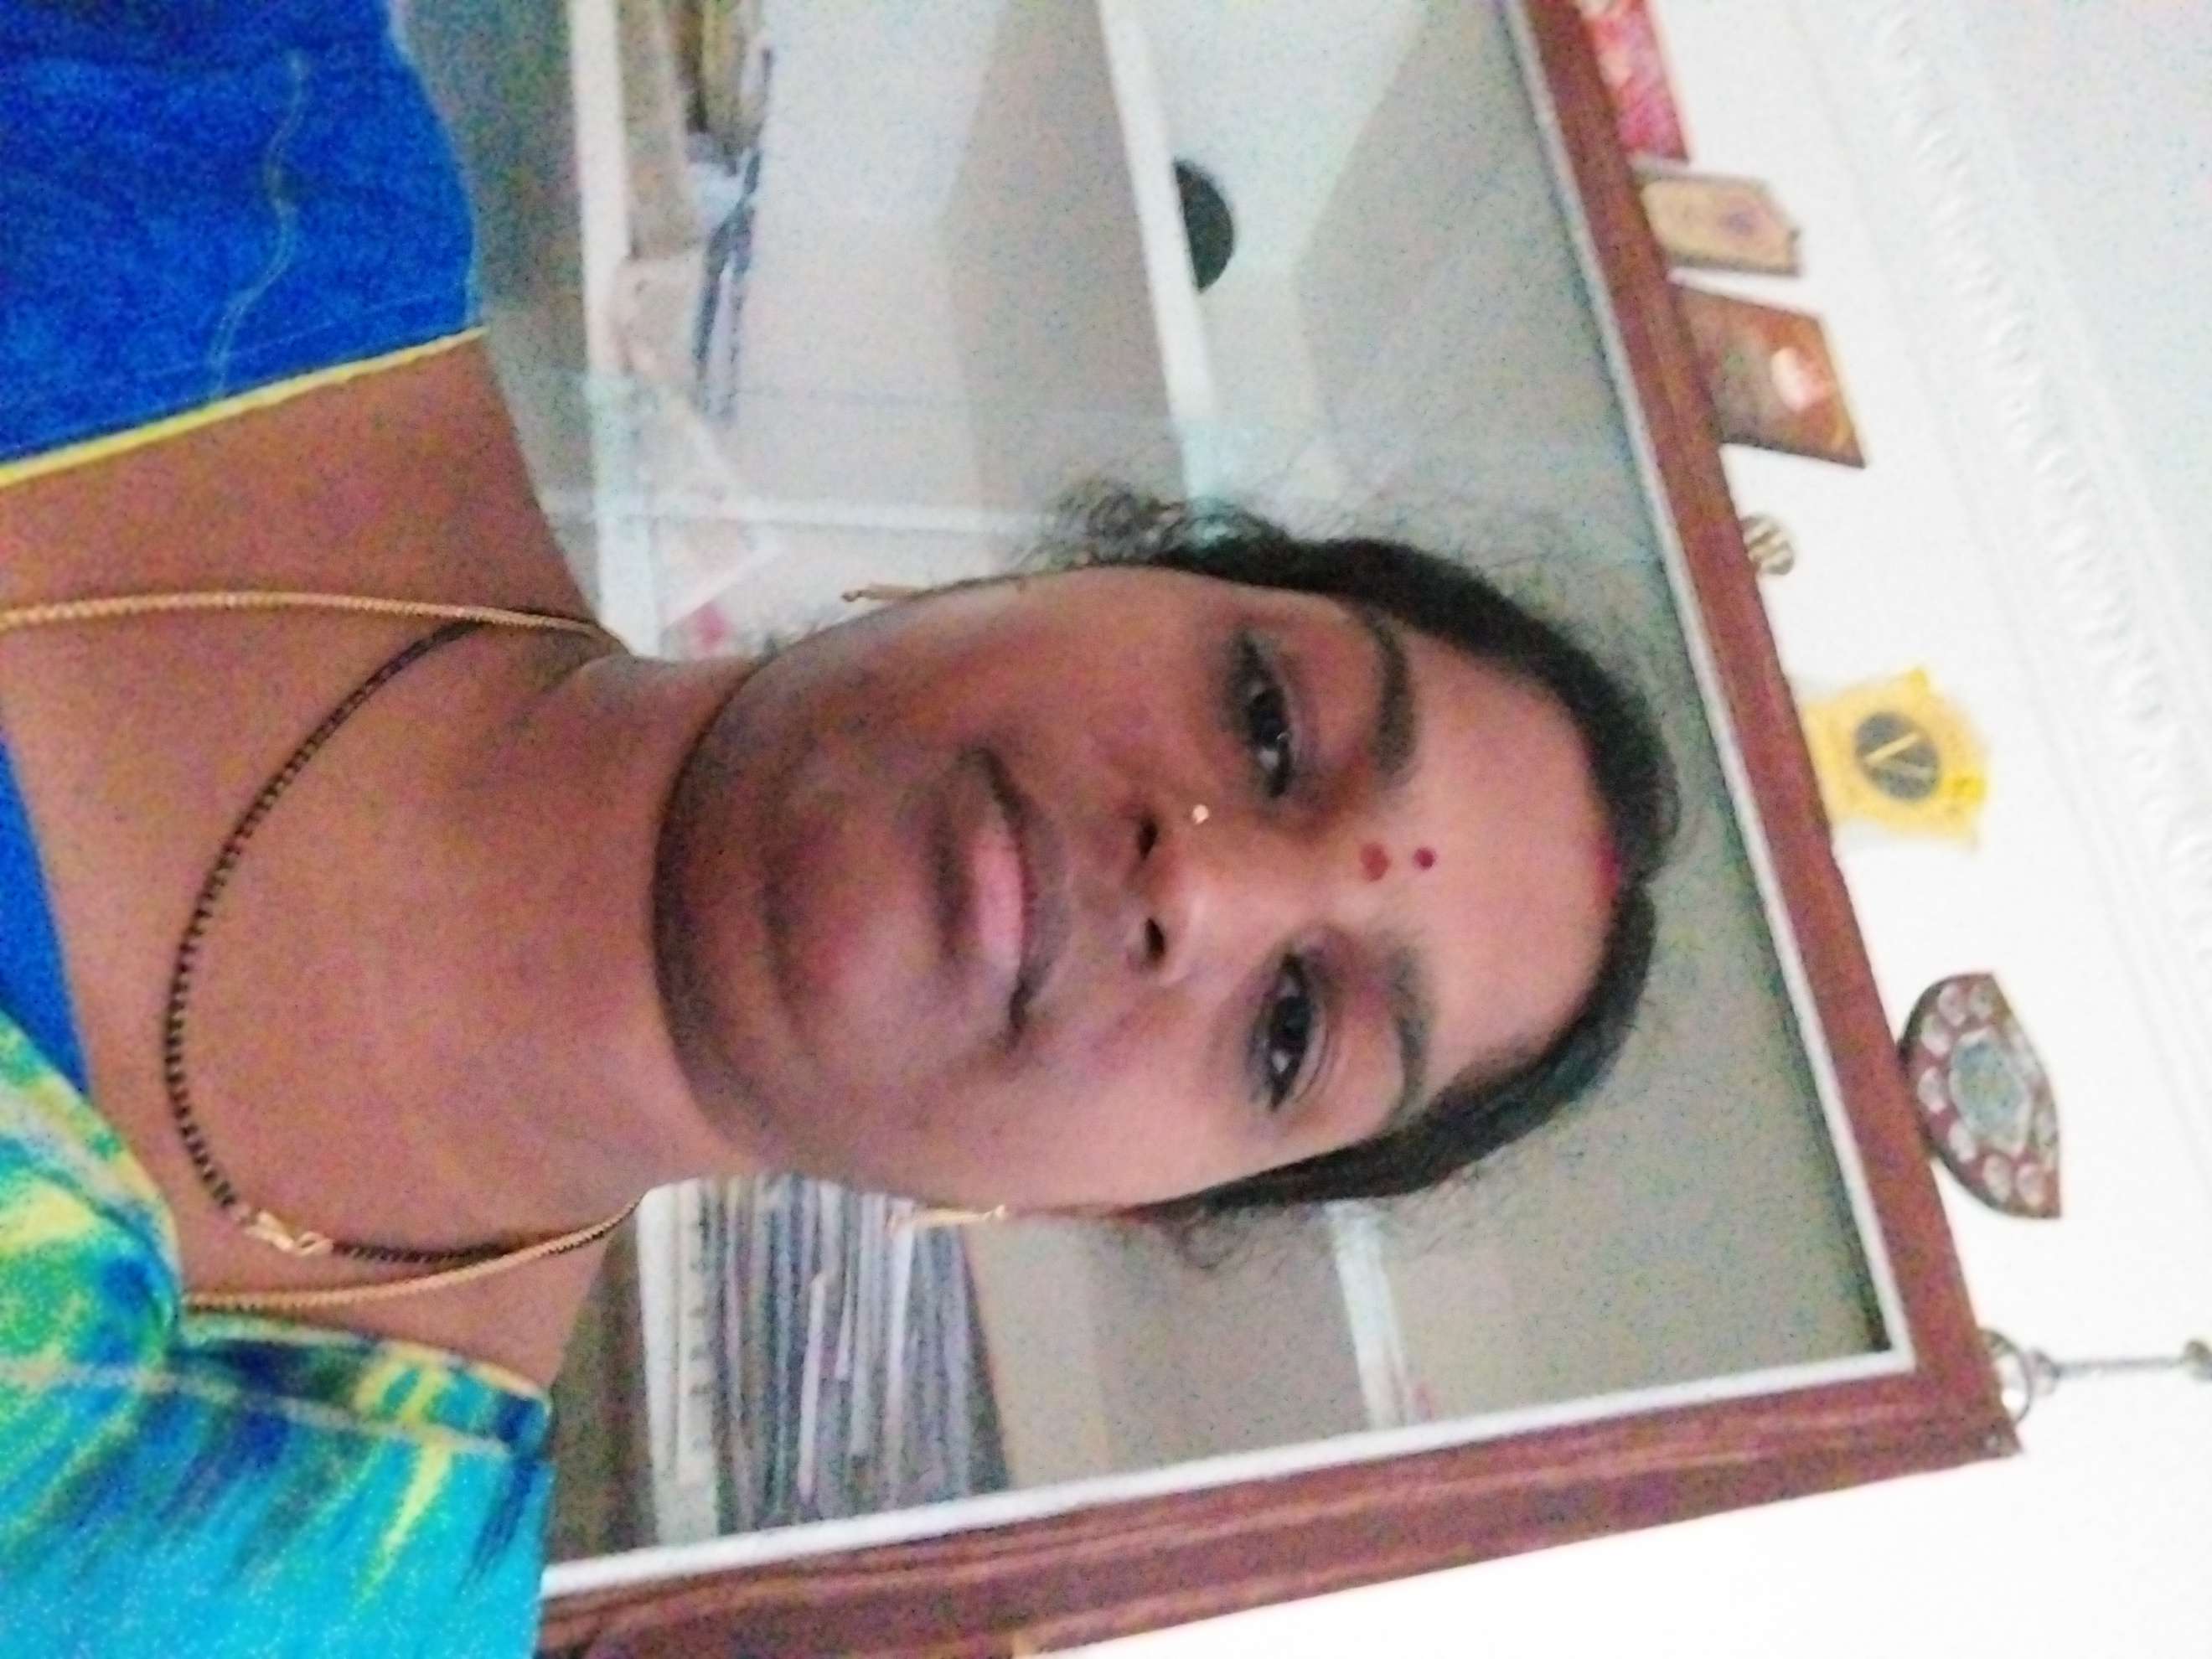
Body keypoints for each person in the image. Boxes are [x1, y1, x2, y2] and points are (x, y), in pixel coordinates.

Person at [0, 2, 1672, 1652]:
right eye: (1268, 719)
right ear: (1089, 571)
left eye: (1294, 1028)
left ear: (1117, 1210)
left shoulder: (292, 1587)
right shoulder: (222, 101)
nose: (1205, 884)